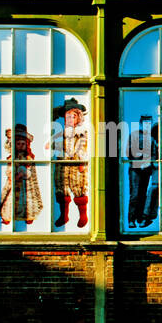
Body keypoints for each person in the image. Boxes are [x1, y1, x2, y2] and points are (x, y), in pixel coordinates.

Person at [0, 124, 41, 227]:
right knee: (9, 198)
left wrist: (24, 173)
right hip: (13, 181)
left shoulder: (28, 158)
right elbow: (9, 169)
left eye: (23, 144)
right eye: (18, 143)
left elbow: (31, 170)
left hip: (25, 184)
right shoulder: (12, 157)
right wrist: (12, 175)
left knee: (26, 200)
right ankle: (7, 217)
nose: (20, 146)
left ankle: (28, 216)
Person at [49, 98, 89, 228]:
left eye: (74, 116)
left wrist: (81, 160)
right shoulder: (61, 133)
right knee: (62, 189)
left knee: (79, 188)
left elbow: (84, 146)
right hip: (63, 163)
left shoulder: (82, 133)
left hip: (77, 164)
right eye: (68, 116)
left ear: (79, 118)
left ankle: (83, 215)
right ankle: (64, 215)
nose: (71, 119)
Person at [127, 114, 155, 228]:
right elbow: (128, 152)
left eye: (149, 124)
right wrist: (139, 160)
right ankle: (131, 219)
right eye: (145, 124)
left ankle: (140, 217)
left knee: (143, 194)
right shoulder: (133, 136)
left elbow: (154, 153)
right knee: (134, 194)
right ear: (140, 124)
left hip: (146, 170)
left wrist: (149, 162)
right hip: (135, 170)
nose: (147, 126)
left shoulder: (152, 138)